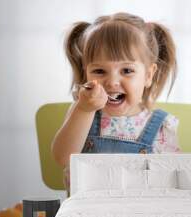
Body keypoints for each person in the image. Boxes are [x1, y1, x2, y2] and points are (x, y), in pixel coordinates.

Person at [51, 12, 181, 190]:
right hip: (87, 214)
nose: (112, 82)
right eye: (99, 71)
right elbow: (62, 158)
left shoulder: (162, 127)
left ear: (148, 75)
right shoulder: (82, 113)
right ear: (86, 72)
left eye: (126, 70)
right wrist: (84, 110)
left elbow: (173, 183)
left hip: (142, 214)